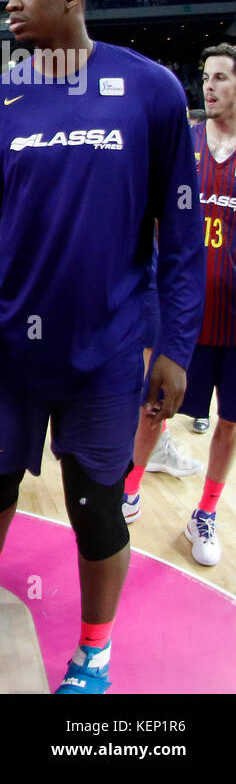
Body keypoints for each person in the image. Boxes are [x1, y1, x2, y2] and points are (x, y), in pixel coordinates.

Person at [0, 0, 204, 693]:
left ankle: (94, 650)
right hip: (14, 344)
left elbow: (182, 237)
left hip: (110, 351)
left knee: (95, 510)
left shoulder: (148, 90)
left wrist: (176, 346)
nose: (12, 3)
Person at [123, 43, 236, 565]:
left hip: (233, 318)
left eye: (219, 78)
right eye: (206, 76)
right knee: (154, 404)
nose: (208, 86)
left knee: (229, 423)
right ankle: (130, 486)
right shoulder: (181, 143)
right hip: (179, 308)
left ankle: (205, 512)